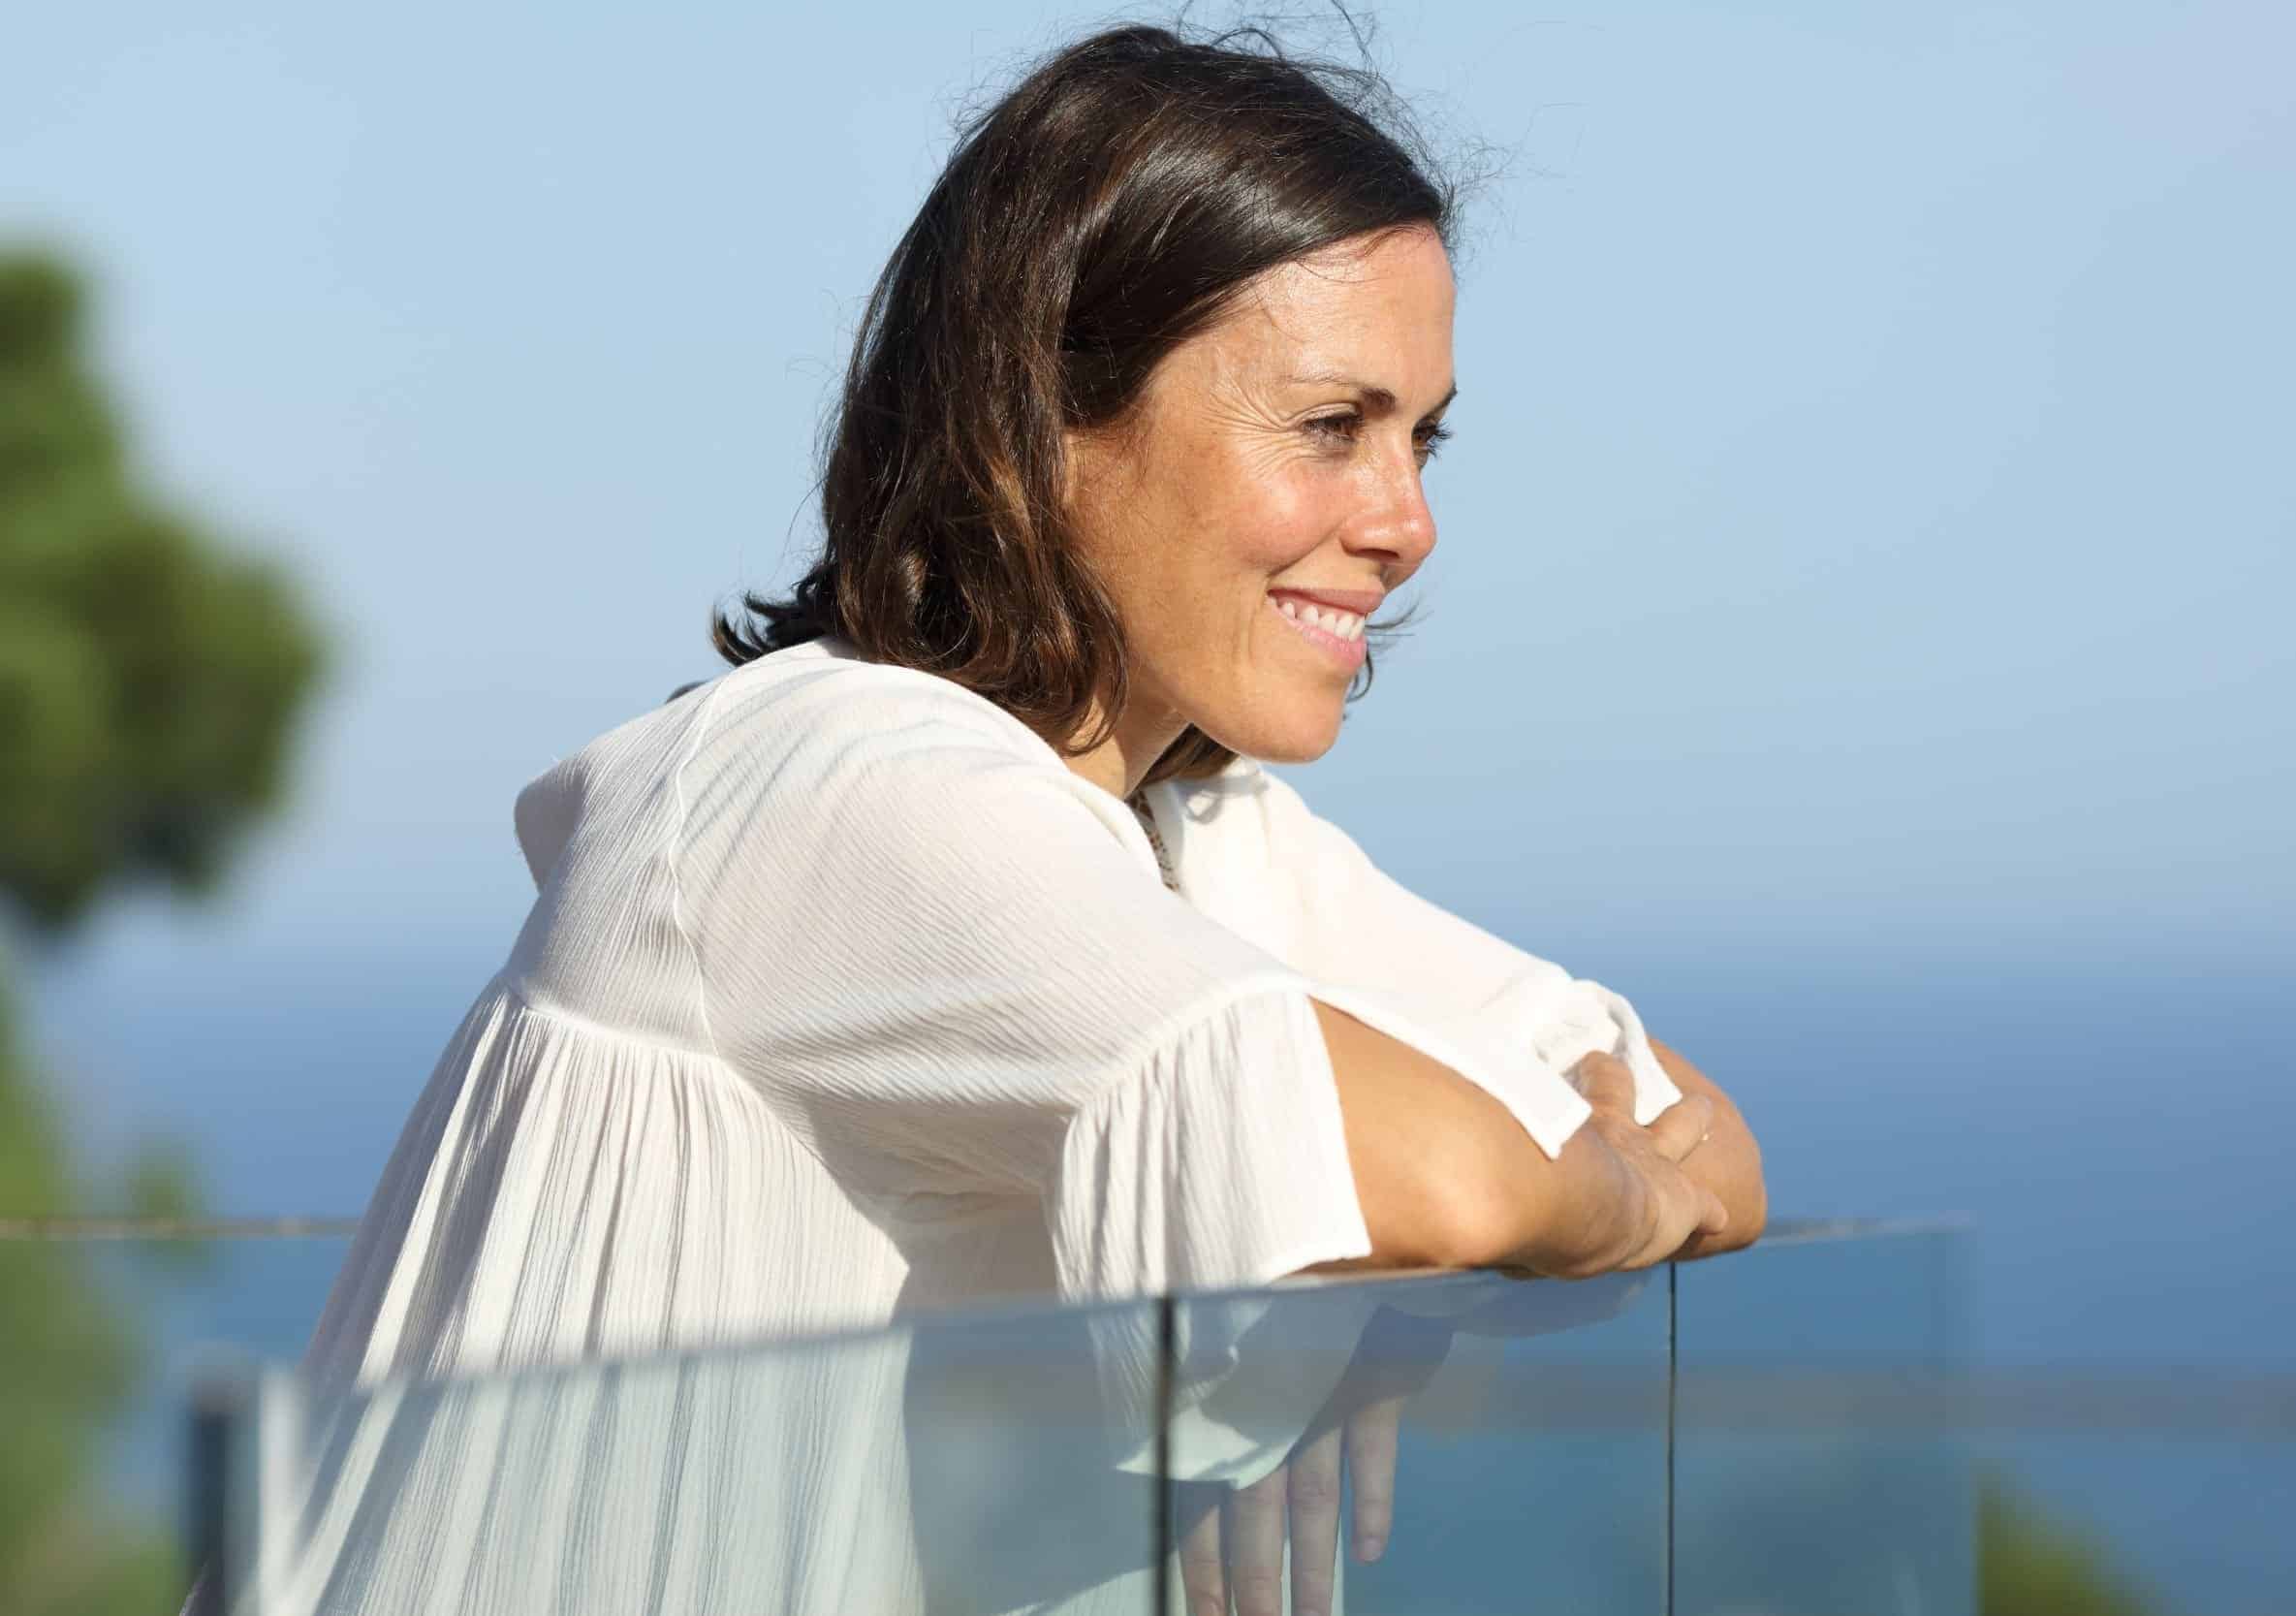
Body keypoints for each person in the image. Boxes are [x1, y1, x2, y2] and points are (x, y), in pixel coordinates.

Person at [199, 18, 1765, 1616]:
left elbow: (1711, 1135)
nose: (1407, 523)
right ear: (1043, 423)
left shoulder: (1194, 831)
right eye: (1327, 427)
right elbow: (1472, 1179)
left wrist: (1372, 1300)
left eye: (1418, 439)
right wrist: (1538, 1214)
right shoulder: (830, 793)